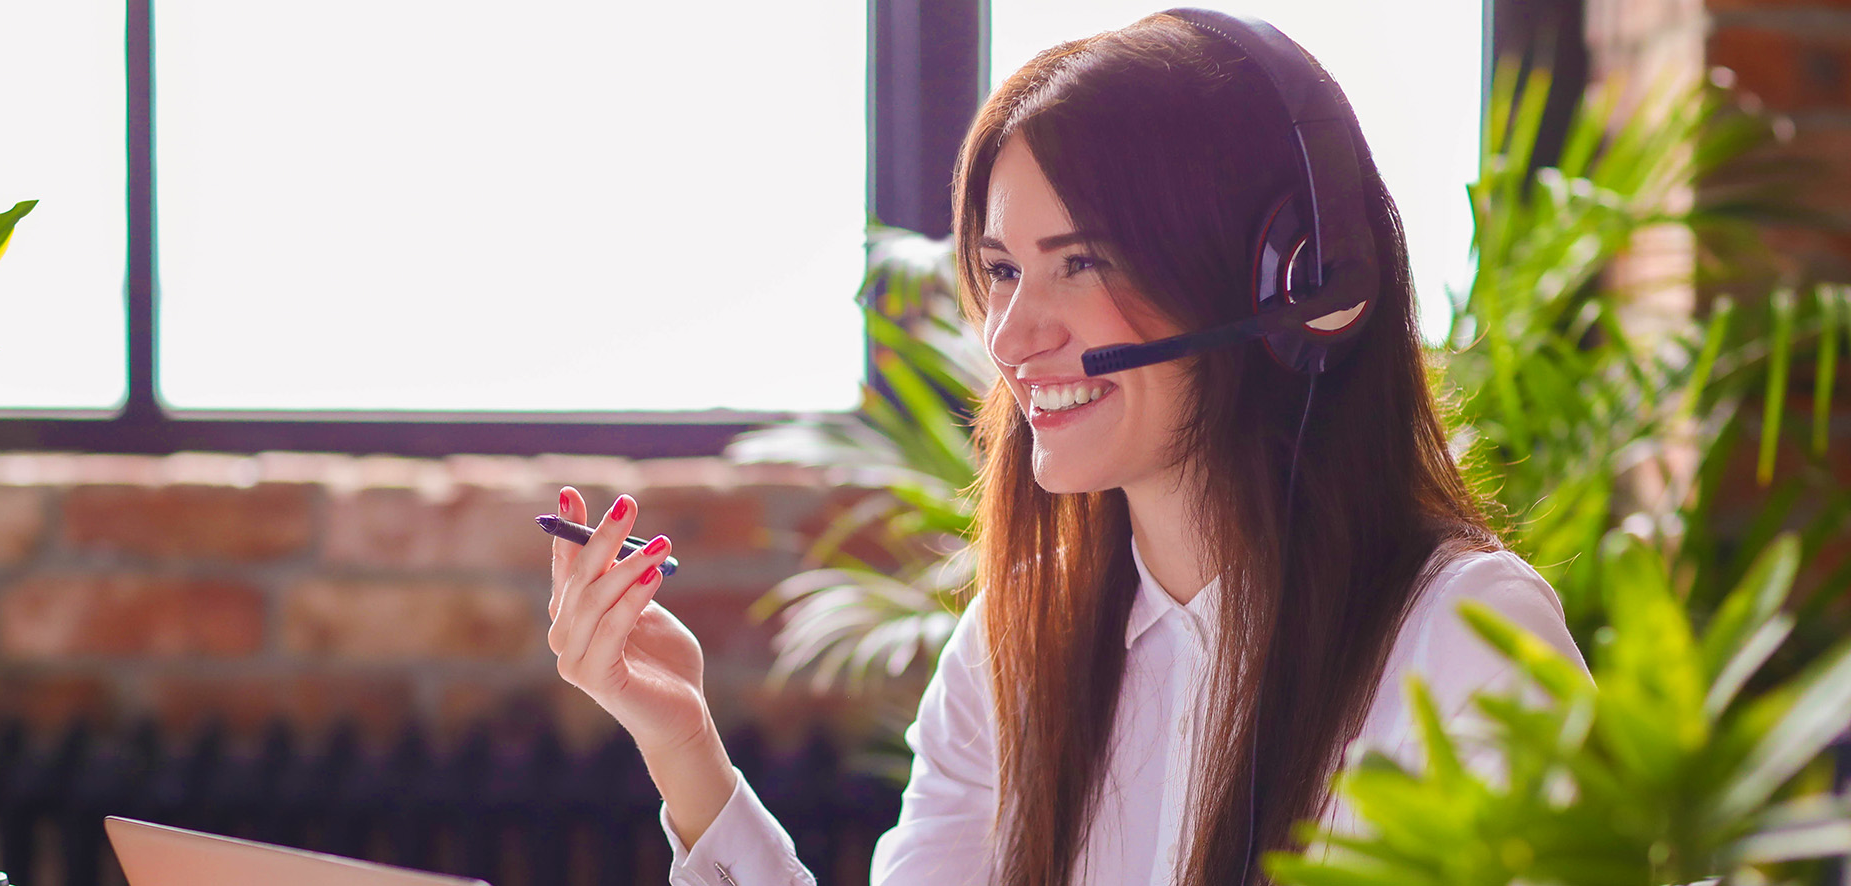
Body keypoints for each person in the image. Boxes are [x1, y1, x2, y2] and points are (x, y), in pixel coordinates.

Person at [543, 10, 1590, 886]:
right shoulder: (1012, 648)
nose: (1009, 335)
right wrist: (684, 751)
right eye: (1000, 270)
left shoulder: (1464, 641)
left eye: (1077, 263)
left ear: (1285, 288)